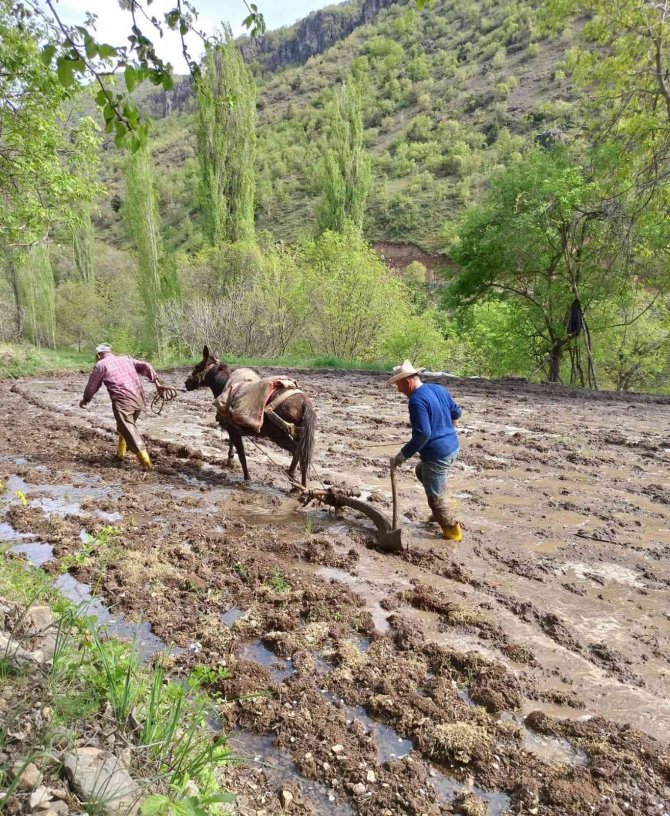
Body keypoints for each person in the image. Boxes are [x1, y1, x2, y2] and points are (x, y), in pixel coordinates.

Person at [388, 360, 463, 541]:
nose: (398, 390)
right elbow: (456, 412)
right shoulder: (438, 389)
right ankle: (445, 505)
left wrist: (402, 455)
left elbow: (423, 434)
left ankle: (453, 533)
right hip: (453, 447)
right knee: (421, 470)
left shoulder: (416, 400)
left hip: (437, 455)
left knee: (435, 499)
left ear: (407, 382)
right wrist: (448, 430)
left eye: (398, 385)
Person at [79, 343, 158, 472]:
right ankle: (120, 454)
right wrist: (155, 380)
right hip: (139, 398)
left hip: (123, 401)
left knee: (129, 430)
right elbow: (146, 366)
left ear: (98, 355)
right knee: (124, 427)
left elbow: (92, 385)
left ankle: (147, 463)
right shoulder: (126, 359)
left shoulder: (101, 365)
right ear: (110, 352)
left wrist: (86, 399)